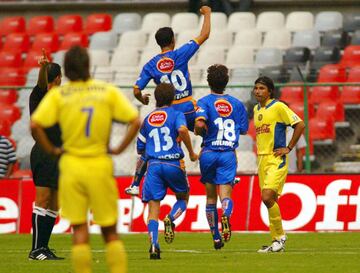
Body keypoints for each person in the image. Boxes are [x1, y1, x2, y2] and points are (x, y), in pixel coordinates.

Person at [30, 45, 140, 273]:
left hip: (70, 162)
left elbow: (35, 124)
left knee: (77, 227)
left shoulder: (60, 96)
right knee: (109, 230)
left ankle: (42, 248)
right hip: (98, 163)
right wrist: (118, 149)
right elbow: (135, 120)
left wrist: (51, 147)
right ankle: (38, 249)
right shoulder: (105, 91)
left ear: (67, 72)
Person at [125, 5, 211, 196]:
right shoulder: (180, 53)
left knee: (153, 146)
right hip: (188, 108)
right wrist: (207, 13)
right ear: (173, 40)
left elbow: (136, 88)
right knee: (211, 133)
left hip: (168, 112)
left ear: (158, 43)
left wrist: (143, 98)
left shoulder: (151, 64)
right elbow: (204, 35)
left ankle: (135, 184)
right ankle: (217, 174)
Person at [137, 83, 198, 259]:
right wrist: (191, 152)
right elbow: (182, 129)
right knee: (183, 197)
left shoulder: (148, 118)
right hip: (173, 164)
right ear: (173, 98)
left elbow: (140, 148)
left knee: (153, 209)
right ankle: (170, 218)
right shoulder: (177, 114)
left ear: (156, 98)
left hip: (154, 166)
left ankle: (154, 244)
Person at [194, 64, 248, 250]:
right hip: (227, 154)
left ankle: (216, 238)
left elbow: (200, 125)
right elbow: (243, 130)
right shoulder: (237, 104)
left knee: (210, 197)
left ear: (209, 82)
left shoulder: (203, 102)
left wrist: (200, 131)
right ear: (226, 82)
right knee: (225, 194)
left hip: (208, 153)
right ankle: (226, 213)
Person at [252, 76, 305, 253]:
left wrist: (289, 148)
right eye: (256, 88)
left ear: (270, 91)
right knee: (270, 201)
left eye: (261, 88)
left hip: (276, 159)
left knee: (267, 197)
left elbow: (300, 124)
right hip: (262, 161)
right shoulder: (256, 109)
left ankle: (281, 237)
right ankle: (276, 241)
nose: (257, 91)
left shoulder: (279, 106)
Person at [28, 49, 63, 260]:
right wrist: (44, 68)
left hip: (59, 153)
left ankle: (44, 247)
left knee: (55, 201)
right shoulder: (39, 94)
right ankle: (35, 250)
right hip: (43, 152)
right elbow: (44, 84)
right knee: (43, 199)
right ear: (58, 78)